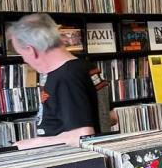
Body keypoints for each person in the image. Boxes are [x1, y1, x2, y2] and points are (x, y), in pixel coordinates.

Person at [8, 13, 101, 148]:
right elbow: (109, 117)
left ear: (31, 50)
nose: (24, 60)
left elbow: (83, 136)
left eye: (22, 54)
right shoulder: (83, 66)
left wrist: (32, 143)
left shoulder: (66, 77)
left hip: (72, 163)